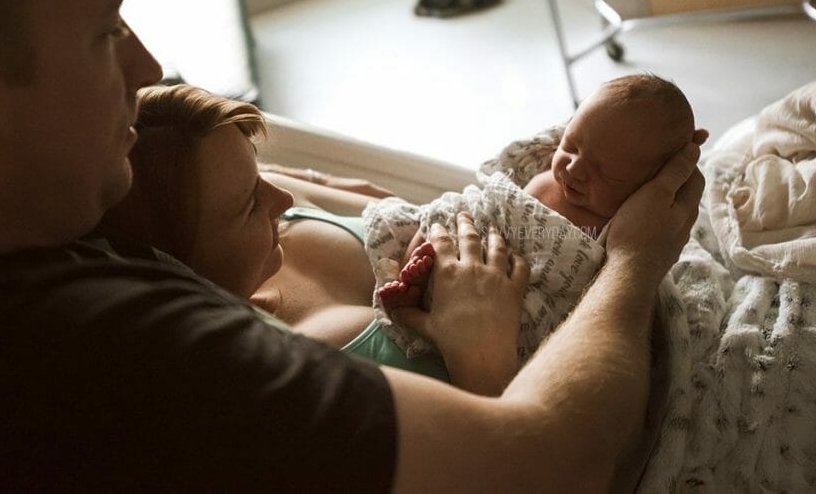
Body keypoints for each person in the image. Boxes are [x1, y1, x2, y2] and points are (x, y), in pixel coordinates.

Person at [0, 0, 705, 491]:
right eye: (103, 31)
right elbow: (547, 466)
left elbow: (273, 170)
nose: (145, 72)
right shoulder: (104, 359)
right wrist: (635, 260)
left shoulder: (25, 211)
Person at [100, 84, 529, 393]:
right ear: (185, 268)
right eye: (249, 204)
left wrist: (318, 176)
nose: (283, 200)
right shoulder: (277, 377)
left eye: (260, 169)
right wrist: (484, 360)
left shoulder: (264, 204)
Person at [378, 74, 701, 312]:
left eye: (605, 172)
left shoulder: (620, 225)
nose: (574, 169)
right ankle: (411, 279)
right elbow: (495, 199)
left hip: (513, 279)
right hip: (488, 227)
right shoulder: (552, 162)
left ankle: (427, 296)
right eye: (572, 145)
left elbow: (594, 286)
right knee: (445, 217)